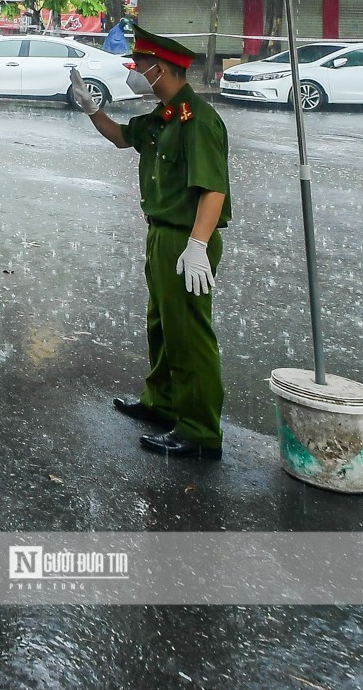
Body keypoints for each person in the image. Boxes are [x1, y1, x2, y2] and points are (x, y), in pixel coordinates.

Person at [68, 26, 231, 460]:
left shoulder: (198, 121)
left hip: (187, 238)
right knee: (161, 323)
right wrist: (92, 110)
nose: (134, 73)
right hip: (162, 234)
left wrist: (197, 245)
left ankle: (199, 431)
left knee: (189, 334)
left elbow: (213, 190)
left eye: (139, 66)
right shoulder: (162, 117)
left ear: (160, 69)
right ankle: (163, 404)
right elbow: (123, 137)